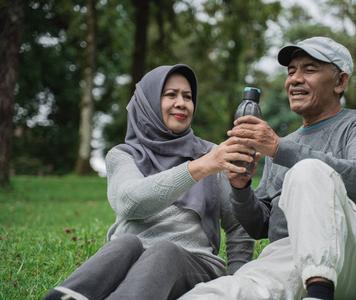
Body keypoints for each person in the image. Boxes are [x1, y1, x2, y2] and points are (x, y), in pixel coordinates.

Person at [179, 37, 356, 300]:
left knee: (307, 171)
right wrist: (241, 187)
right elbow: (260, 226)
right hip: (289, 256)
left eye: (309, 69)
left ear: (340, 82)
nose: (294, 79)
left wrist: (278, 148)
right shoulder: (283, 146)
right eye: (291, 71)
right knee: (217, 293)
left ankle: (319, 292)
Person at [43, 64, 254, 300]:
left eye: (188, 96)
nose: (182, 103)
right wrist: (200, 167)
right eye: (170, 95)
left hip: (194, 264)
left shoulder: (213, 154)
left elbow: (238, 226)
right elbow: (129, 201)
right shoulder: (123, 155)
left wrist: (237, 283)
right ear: (148, 103)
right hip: (130, 262)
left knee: (164, 249)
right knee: (125, 244)